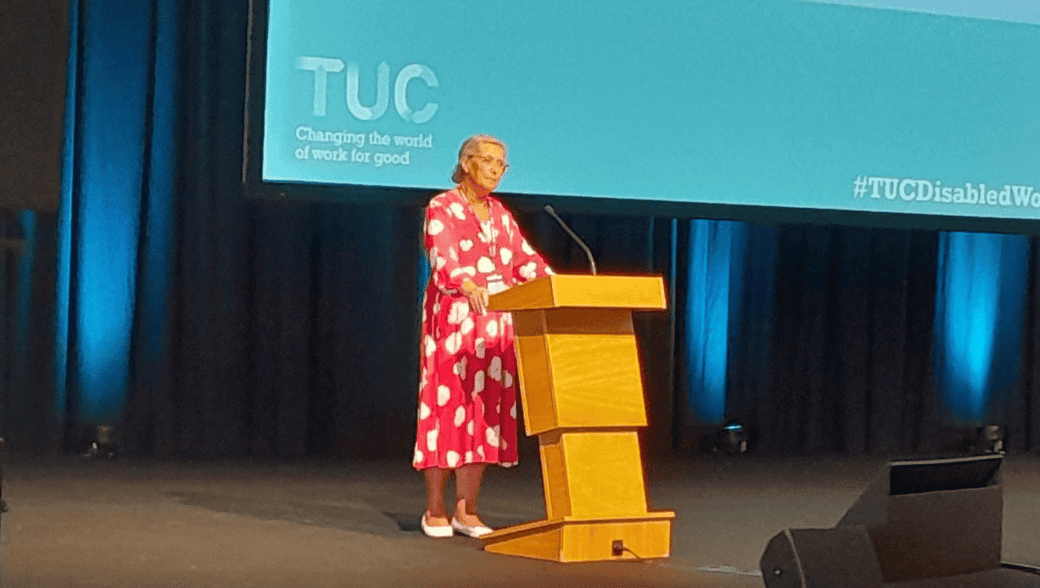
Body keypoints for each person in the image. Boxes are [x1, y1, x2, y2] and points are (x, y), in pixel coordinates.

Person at [413, 135, 554, 538]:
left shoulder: (501, 214)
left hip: (494, 331)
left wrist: (557, 285)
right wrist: (467, 283)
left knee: (483, 417)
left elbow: (526, 261)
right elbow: (443, 259)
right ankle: (435, 508)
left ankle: (467, 510)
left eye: (502, 164)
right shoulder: (442, 206)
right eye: (489, 161)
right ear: (467, 163)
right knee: (446, 414)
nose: (496, 169)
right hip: (454, 325)